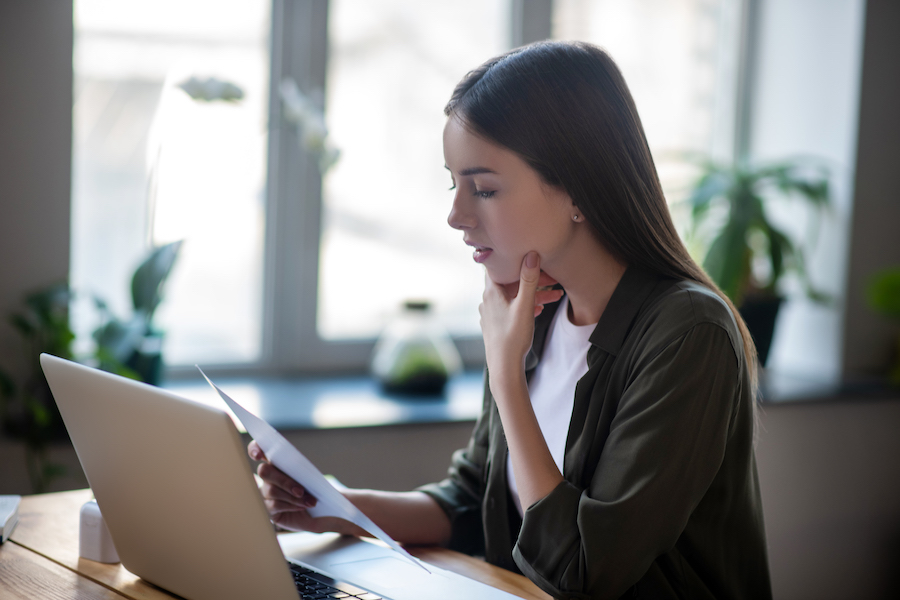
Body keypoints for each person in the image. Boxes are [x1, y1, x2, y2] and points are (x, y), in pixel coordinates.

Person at [250, 40, 772, 599]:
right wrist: (332, 507)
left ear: (578, 186)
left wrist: (506, 377)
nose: (456, 215)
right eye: (455, 185)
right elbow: (478, 504)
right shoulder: (536, 310)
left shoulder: (689, 333)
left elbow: (585, 574)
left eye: (485, 188)